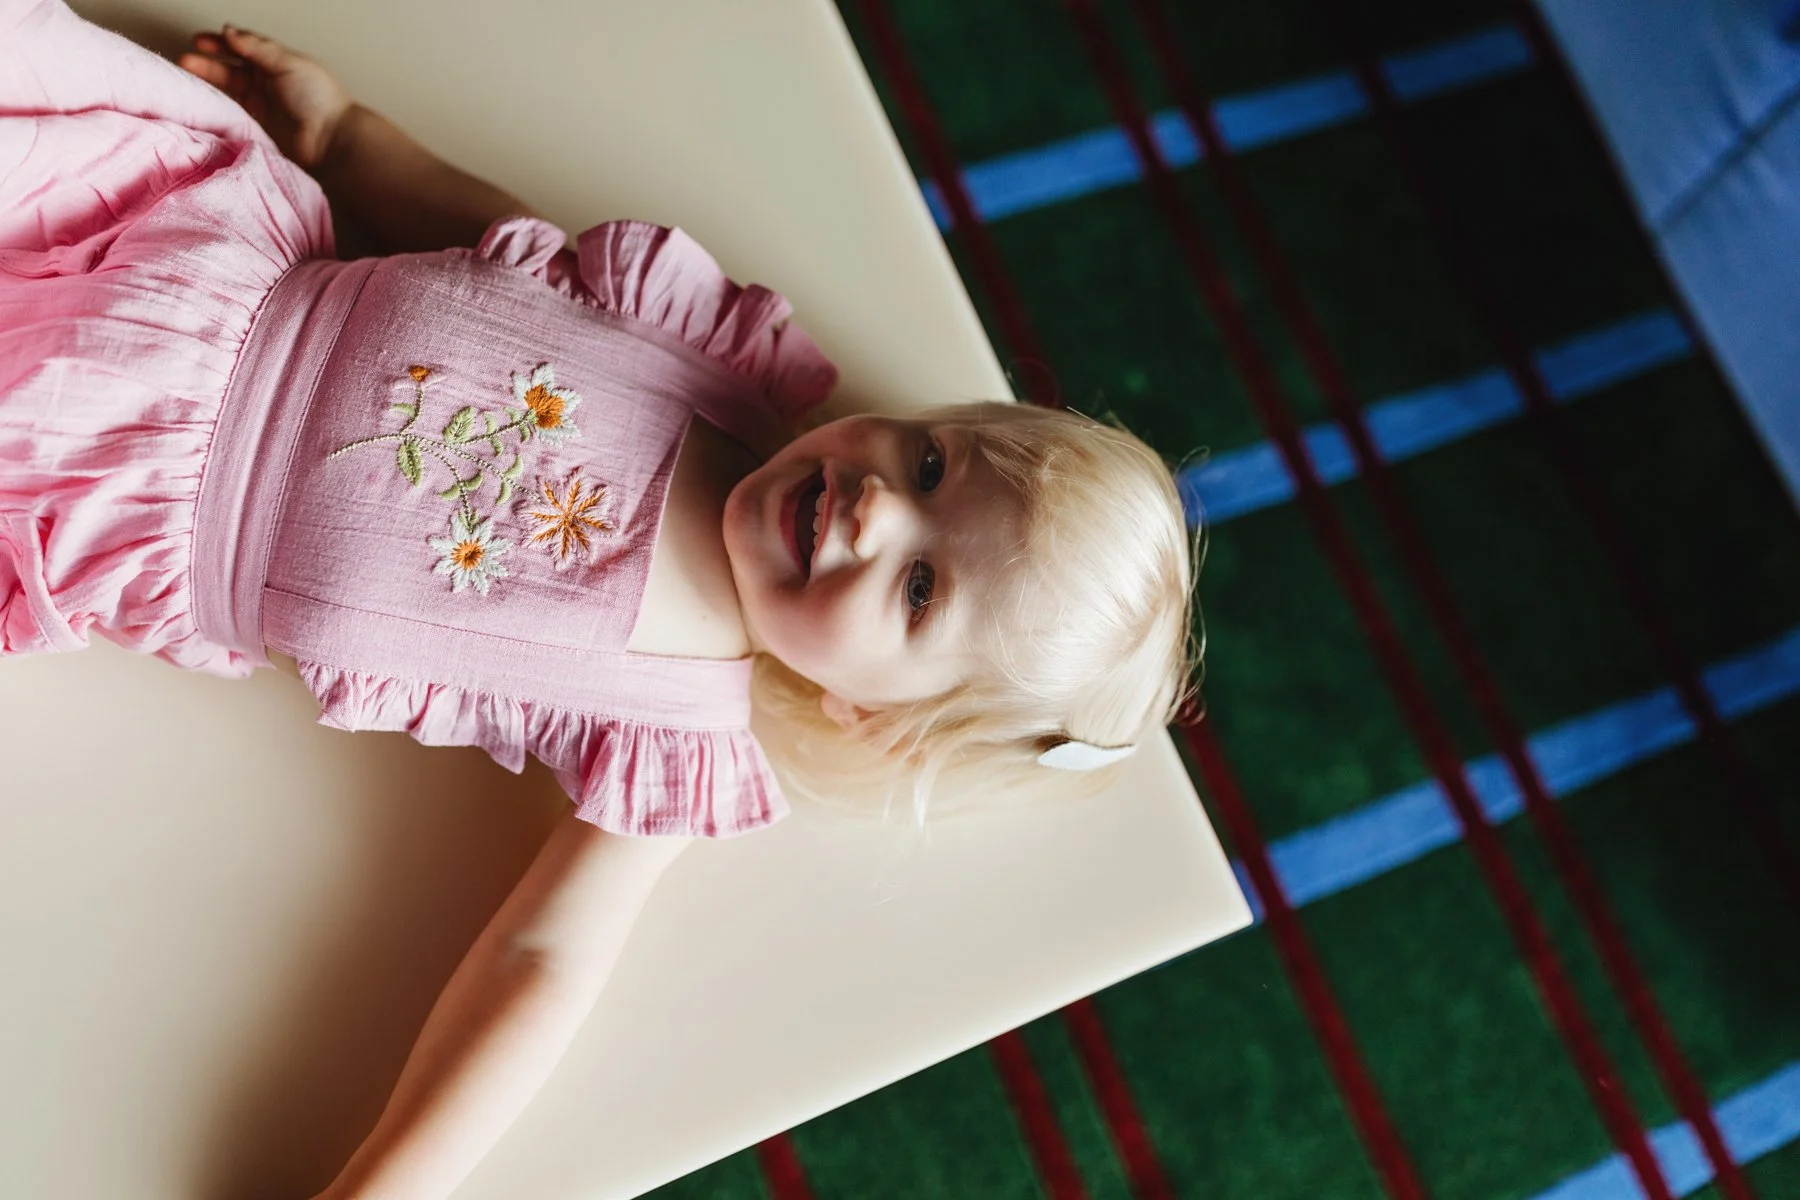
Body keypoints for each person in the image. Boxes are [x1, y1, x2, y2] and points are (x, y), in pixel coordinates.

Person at [0, 3, 1199, 1195]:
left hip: (100, 486)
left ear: (871, 716)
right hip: (179, 221)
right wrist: (350, 137)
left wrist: (385, 1186)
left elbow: (540, 959)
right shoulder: (717, 360)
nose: (880, 511)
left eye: (922, 590)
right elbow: (502, 244)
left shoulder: (674, 740)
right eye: (933, 466)